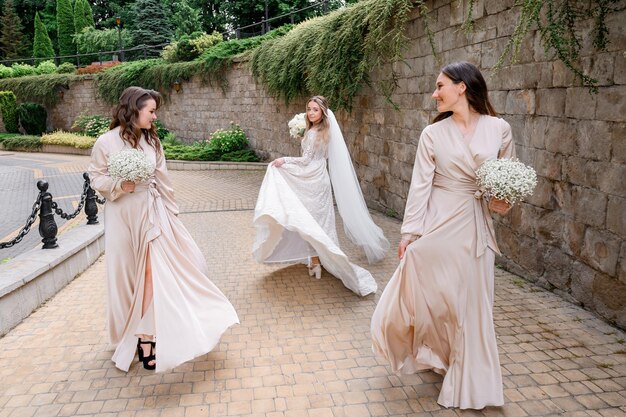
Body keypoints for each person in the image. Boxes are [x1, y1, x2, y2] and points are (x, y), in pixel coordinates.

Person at [370, 62, 515, 409]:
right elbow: (420, 188)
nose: (434, 94)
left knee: (472, 304)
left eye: (440, 86)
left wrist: (502, 202)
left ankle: (470, 379)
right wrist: (409, 233)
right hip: (440, 224)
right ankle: (434, 350)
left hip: (476, 226)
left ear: (462, 87)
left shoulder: (500, 129)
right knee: (441, 298)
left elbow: (508, 183)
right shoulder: (432, 135)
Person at [88, 86, 239, 372]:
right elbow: (96, 176)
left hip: (152, 212)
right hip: (122, 215)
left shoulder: (152, 142)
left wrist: (173, 213)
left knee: (155, 271)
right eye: (151, 111)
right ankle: (130, 336)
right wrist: (119, 185)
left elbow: (163, 179)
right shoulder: (105, 143)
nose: (155, 117)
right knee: (127, 277)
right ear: (134, 110)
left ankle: (147, 337)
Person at [253, 96, 389, 296]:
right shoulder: (325, 131)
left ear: (323, 112)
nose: (310, 113)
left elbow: (306, 160)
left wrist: (284, 160)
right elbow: (321, 158)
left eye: (315, 109)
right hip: (321, 179)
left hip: (312, 180)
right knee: (320, 223)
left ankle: (316, 262)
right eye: (308, 109)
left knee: (310, 222)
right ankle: (317, 261)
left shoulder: (313, 133)